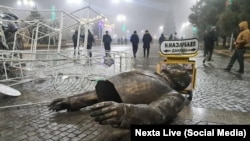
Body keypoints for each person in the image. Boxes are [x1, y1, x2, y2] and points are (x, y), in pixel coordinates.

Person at [48, 64, 191, 130]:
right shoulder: (150, 73)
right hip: (110, 90)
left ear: (181, 81)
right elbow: (104, 93)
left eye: (179, 69)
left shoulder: (175, 95)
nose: (173, 66)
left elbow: (158, 113)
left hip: (122, 107)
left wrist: (124, 112)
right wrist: (73, 101)